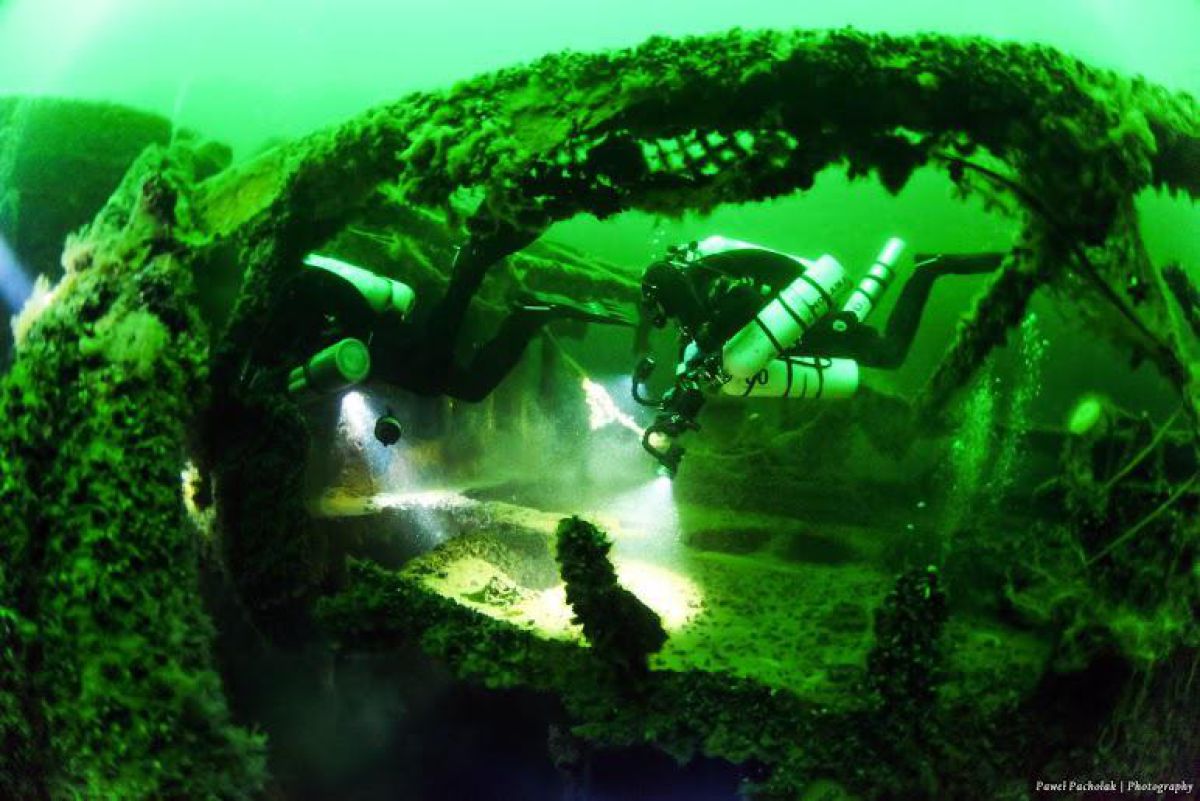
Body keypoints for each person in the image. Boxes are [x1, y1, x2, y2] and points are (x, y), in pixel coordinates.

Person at [633, 236, 1005, 474]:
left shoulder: (701, 281)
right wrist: (673, 418)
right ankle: (915, 276)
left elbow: (745, 300)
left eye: (656, 307)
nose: (661, 317)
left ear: (663, 293)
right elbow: (695, 367)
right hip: (788, 327)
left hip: (798, 313)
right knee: (860, 334)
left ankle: (927, 271)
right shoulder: (696, 305)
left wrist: (710, 341)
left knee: (887, 353)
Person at [251, 222, 632, 406]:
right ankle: (525, 316)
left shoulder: (283, 287)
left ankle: (471, 266)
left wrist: (275, 361)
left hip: (373, 338)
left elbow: (319, 310)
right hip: (373, 345)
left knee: (432, 367)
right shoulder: (281, 286)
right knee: (469, 387)